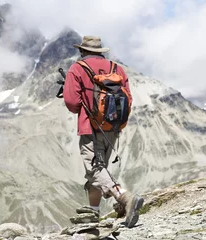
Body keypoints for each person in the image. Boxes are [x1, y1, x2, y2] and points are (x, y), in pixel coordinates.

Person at [63, 35, 144, 228]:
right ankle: (94, 212)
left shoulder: (77, 68)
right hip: (113, 127)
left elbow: (72, 103)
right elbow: (129, 99)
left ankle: (124, 197)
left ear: (82, 51)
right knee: (99, 170)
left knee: (95, 168)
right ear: (100, 52)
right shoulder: (117, 69)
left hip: (89, 126)